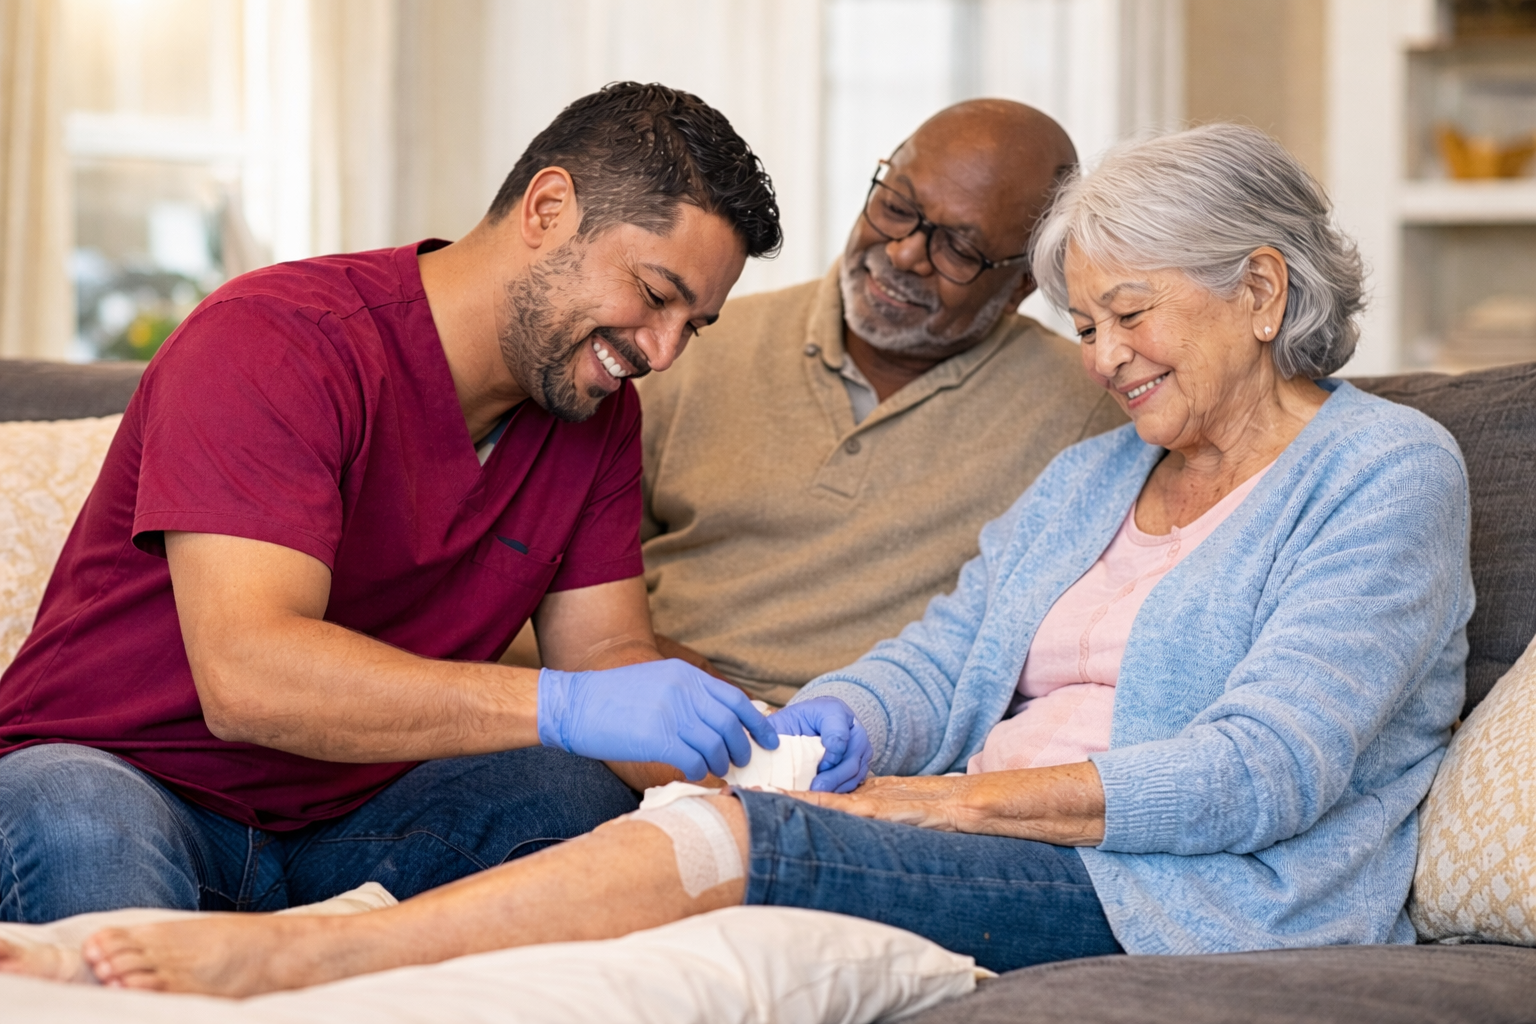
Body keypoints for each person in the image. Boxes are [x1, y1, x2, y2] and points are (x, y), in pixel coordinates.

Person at [2, 123, 1472, 993]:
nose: (1099, 362)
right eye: (1085, 325)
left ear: (1261, 289)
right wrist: (838, 722)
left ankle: (295, 967)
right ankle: (187, 968)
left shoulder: (1383, 470)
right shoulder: (1100, 478)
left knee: (688, 825)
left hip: (1199, 884)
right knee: (85, 831)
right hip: (131, 764)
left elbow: (1265, 771)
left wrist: (914, 801)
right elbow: (944, 659)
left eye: (1126, 318)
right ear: (551, 208)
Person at [0, 82, 870, 925]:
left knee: (570, 790)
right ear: (547, 209)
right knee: (77, 811)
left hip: (347, 818)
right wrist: (557, 707)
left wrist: (763, 748)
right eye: (653, 295)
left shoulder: (595, 417)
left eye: (695, 324)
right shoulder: (277, 341)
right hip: (123, 781)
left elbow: (608, 658)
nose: (663, 350)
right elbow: (248, 678)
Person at [630, 99, 1125, 706]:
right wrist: (649, 665)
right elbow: (567, 578)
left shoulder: (1089, 409)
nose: (903, 254)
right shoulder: (690, 345)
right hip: (653, 700)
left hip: (875, 748)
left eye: (959, 252)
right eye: (895, 207)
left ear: (1024, 282)